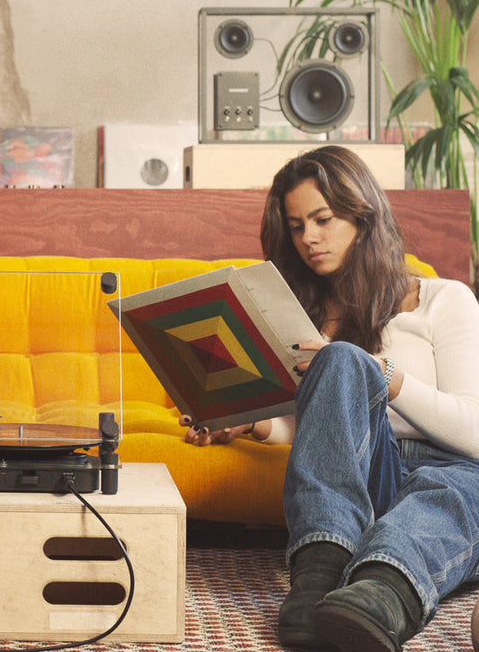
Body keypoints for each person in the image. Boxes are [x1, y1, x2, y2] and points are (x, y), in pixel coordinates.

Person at [181, 145, 479, 652]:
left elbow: (474, 432)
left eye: (322, 219)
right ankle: (317, 577)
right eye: (296, 226)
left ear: (363, 214)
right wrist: (249, 424)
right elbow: (317, 432)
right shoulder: (305, 319)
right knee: (339, 360)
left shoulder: (443, 300)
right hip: (363, 478)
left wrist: (387, 376)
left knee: (445, 492)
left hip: (452, 471)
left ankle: (381, 596)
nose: (308, 239)